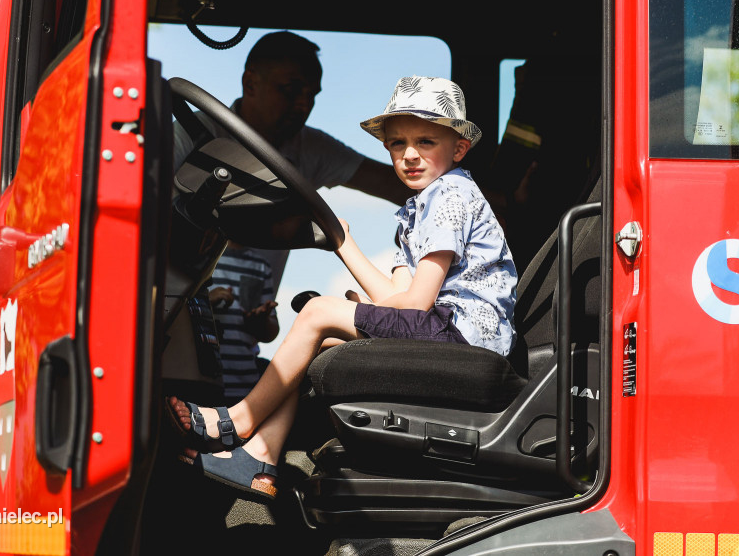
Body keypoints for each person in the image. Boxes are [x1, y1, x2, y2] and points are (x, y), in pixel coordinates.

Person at [166, 76, 517, 502]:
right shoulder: (418, 208)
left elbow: (418, 305)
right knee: (324, 327)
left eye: (426, 141)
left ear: (458, 148)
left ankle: (238, 420)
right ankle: (261, 457)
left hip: (462, 337)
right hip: (442, 330)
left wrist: (342, 245)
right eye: (396, 144)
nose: (409, 155)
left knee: (317, 313)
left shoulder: (451, 195)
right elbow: (395, 298)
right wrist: (340, 243)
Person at [173, 30, 412, 292]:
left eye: (312, 95)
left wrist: (422, 217)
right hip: (177, 295)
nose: (304, 105)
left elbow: (397, 184)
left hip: (254, 319)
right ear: (250, 83)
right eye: (291, 90)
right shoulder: (190, 132)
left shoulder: (312, 148)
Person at [207, 244, 279, 401]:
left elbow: (271, 332)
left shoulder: (260, 266)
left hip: (245, 385)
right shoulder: (204, 256)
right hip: (204, 381)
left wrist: (261, 321)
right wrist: (206, 302)